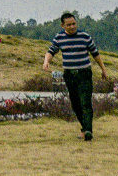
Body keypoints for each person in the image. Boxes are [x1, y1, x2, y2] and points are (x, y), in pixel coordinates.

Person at [43, 12, 108, 142]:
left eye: (74, 23)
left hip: (84, 73)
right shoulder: (59, 38)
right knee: (75, 103)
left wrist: (103, 69)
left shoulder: (85, 37)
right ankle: (85, 128)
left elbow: (95, 53)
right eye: (69, 25)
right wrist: (46, 61)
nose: (72, 26)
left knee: (85, 101)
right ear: (63, 26)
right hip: (69, 75)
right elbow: (51, 51)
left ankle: (88, 131)